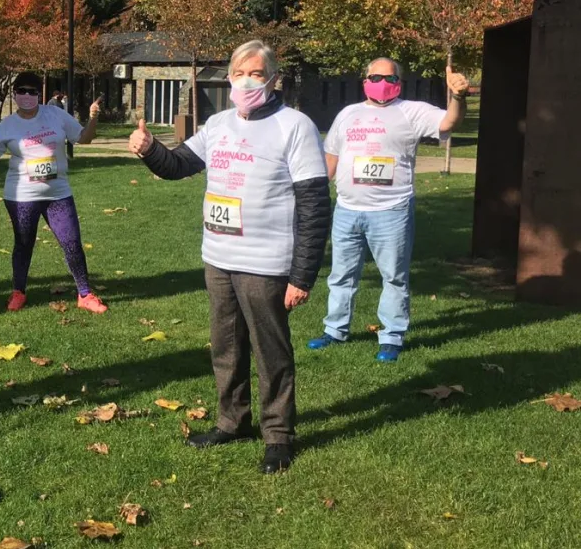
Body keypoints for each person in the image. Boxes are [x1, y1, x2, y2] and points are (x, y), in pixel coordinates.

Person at [128, 40, 330, 474]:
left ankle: (278, 435)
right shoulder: (218, 124)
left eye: (256, 74)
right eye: (239, 72)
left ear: (274, 79)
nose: (246, 81)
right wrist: (149, 149)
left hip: (267, 262)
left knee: (270, 350)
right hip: (218, 256)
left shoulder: (295, 126)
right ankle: (232, 420)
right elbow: (179, 164)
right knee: (225, 346)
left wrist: (303, 275)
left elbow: (314, 204)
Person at [307, 59, 469, 362]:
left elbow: (449, 123)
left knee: (394, 277)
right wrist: (311, 195)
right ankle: (335, 329)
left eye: (389, 77)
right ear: (365, 79)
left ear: (399, 81)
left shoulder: (412, 111)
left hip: (391, 211)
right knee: (341, 275)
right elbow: (330, 158)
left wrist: (458, 97)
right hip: (346, 210)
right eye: (375, 76)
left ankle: (392, 336)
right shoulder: (348, 114)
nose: (381, 81)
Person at [0, 73, 108, 314]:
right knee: (23, 244)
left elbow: (84, 139)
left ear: (40, 94)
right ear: (14, 94)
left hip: (58, 193)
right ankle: (18, 292)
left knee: (72, 242)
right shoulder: (7, 125)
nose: (27, 96)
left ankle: (85, 294)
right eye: (21, 91)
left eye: (32, 91)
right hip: (21, 196)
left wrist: (93, 119)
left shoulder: (55, 114)